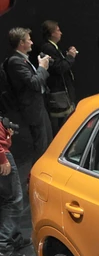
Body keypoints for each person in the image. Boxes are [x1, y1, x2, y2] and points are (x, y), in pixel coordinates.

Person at [6, 28, 51, 159]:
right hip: (32, 110)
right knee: (41, 147)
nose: (32, 42)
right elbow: (35, 83)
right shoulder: (15, 61)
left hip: (39, 105)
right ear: (21, 43)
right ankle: (39, 170)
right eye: (29, 40)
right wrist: (42, 67)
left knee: (48, 141)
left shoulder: (24, 59)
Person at [0, 117, 28, 256]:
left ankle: (13, 239)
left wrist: (6, 135)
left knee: (6, 199)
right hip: (2, 156)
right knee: (13, 200)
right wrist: (2, 158)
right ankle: (3, 246)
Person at [40, 20, 77, 135]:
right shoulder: (48, 48)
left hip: (63, 92)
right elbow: (59, 68)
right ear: (52, 33)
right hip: (59, 94)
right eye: (58, 30)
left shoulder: (54, 47)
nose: (61, 33)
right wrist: (70, 57)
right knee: (62, 125)